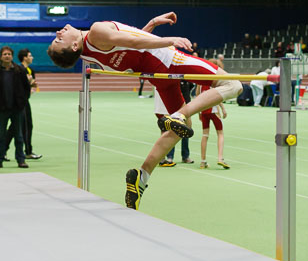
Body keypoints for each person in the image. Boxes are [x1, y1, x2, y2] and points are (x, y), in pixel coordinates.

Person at [47, 12, 243, 210]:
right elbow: (136, 43)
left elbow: (130, 45)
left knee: (183, 128)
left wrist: (151, 25)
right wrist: (169, 40)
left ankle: (142, 177)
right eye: (59, 39)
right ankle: (178, 115)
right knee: (234, 85)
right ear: (73, 46)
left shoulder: (87, 53)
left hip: (157, 75)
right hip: (170, 60)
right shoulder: (96, 31)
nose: (58, 31)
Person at [5, 49, 42, 161]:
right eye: (30, 55)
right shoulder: (19, 70)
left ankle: (5, 150)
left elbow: (29, 86)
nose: (32, 57)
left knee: (19, 127)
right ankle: (27, 152)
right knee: (23, 126)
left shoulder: (30, 70)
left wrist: (31, 85)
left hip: (25, 101)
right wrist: (28, 84)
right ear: (24, 57)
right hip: (19, 103)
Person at [0, 46, 30, 168]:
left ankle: (21, 160)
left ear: (12, 56)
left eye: (9, 54)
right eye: (4, 54)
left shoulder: (19, 70)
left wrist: (22, 103)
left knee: (19, 136)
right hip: (2, 109)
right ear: (1, 56)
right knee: (0, 136)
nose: (7, 56)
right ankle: (0, 159)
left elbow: (26, 88)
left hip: (17, 109)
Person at [196, 61, 229, 170]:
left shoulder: (200, 80)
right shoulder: (214, 78)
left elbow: (197, 95)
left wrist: (198, 112)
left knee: (205, 135)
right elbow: (216, 95)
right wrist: (222, 109)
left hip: (203, 110)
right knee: (220, 133)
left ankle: (203, 161)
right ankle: (220, 158)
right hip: (213, 110)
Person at [154, 83, 193, 167]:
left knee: (185, 128)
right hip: (168, 106)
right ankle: (167, 157)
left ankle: (184, 156)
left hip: (180, 103)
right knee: (168, 130)